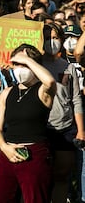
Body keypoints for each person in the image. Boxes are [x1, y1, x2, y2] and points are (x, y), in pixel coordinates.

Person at [0, 44, 56, 203]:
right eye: (16, 64)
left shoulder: (42, 91)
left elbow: (50, 82)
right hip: (8, 154)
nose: (20, 68)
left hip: (34, 155)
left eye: (24, 64)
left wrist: (27, 59)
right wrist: (5, 147)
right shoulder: (7, 93)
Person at [42, 23, 85, 203]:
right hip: (42, 129)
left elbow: (76, 100)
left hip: (65, 128)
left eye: (55, 38)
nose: (52, 42)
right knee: (42, 177)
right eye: (47, 38)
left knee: (62, 175)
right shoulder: (35, 66)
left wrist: (81, 130)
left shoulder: (68, 68)